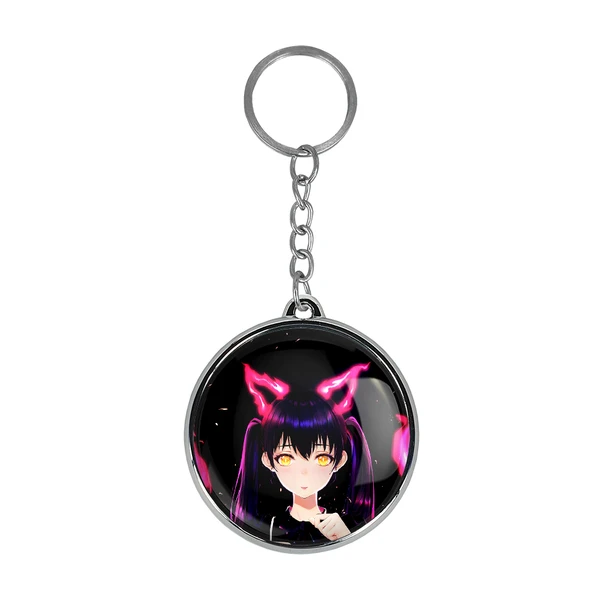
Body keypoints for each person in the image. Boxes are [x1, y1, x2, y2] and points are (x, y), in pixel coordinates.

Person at [230, 363, 375, 544]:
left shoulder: (347, 526)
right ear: (267, 460)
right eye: (286, 458)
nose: (304, 472)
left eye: (322, 458)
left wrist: (345, 538)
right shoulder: (268, 527)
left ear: (340, 461)